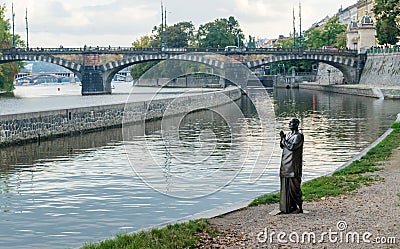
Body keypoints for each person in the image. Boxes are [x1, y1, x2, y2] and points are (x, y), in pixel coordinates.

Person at [279, 118, 304, 214]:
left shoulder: (299, 136)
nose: (290, 124)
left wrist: (283, 139)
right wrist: (282, 139)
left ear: (297, 124)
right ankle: (287, 207)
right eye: (289, 123)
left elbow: (292, 147)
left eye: (292, 123)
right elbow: (282, 146)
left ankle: (298, 207)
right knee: (286, 186)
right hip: (285, 163)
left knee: (294, 188)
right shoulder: (288, 135)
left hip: (293, 165)